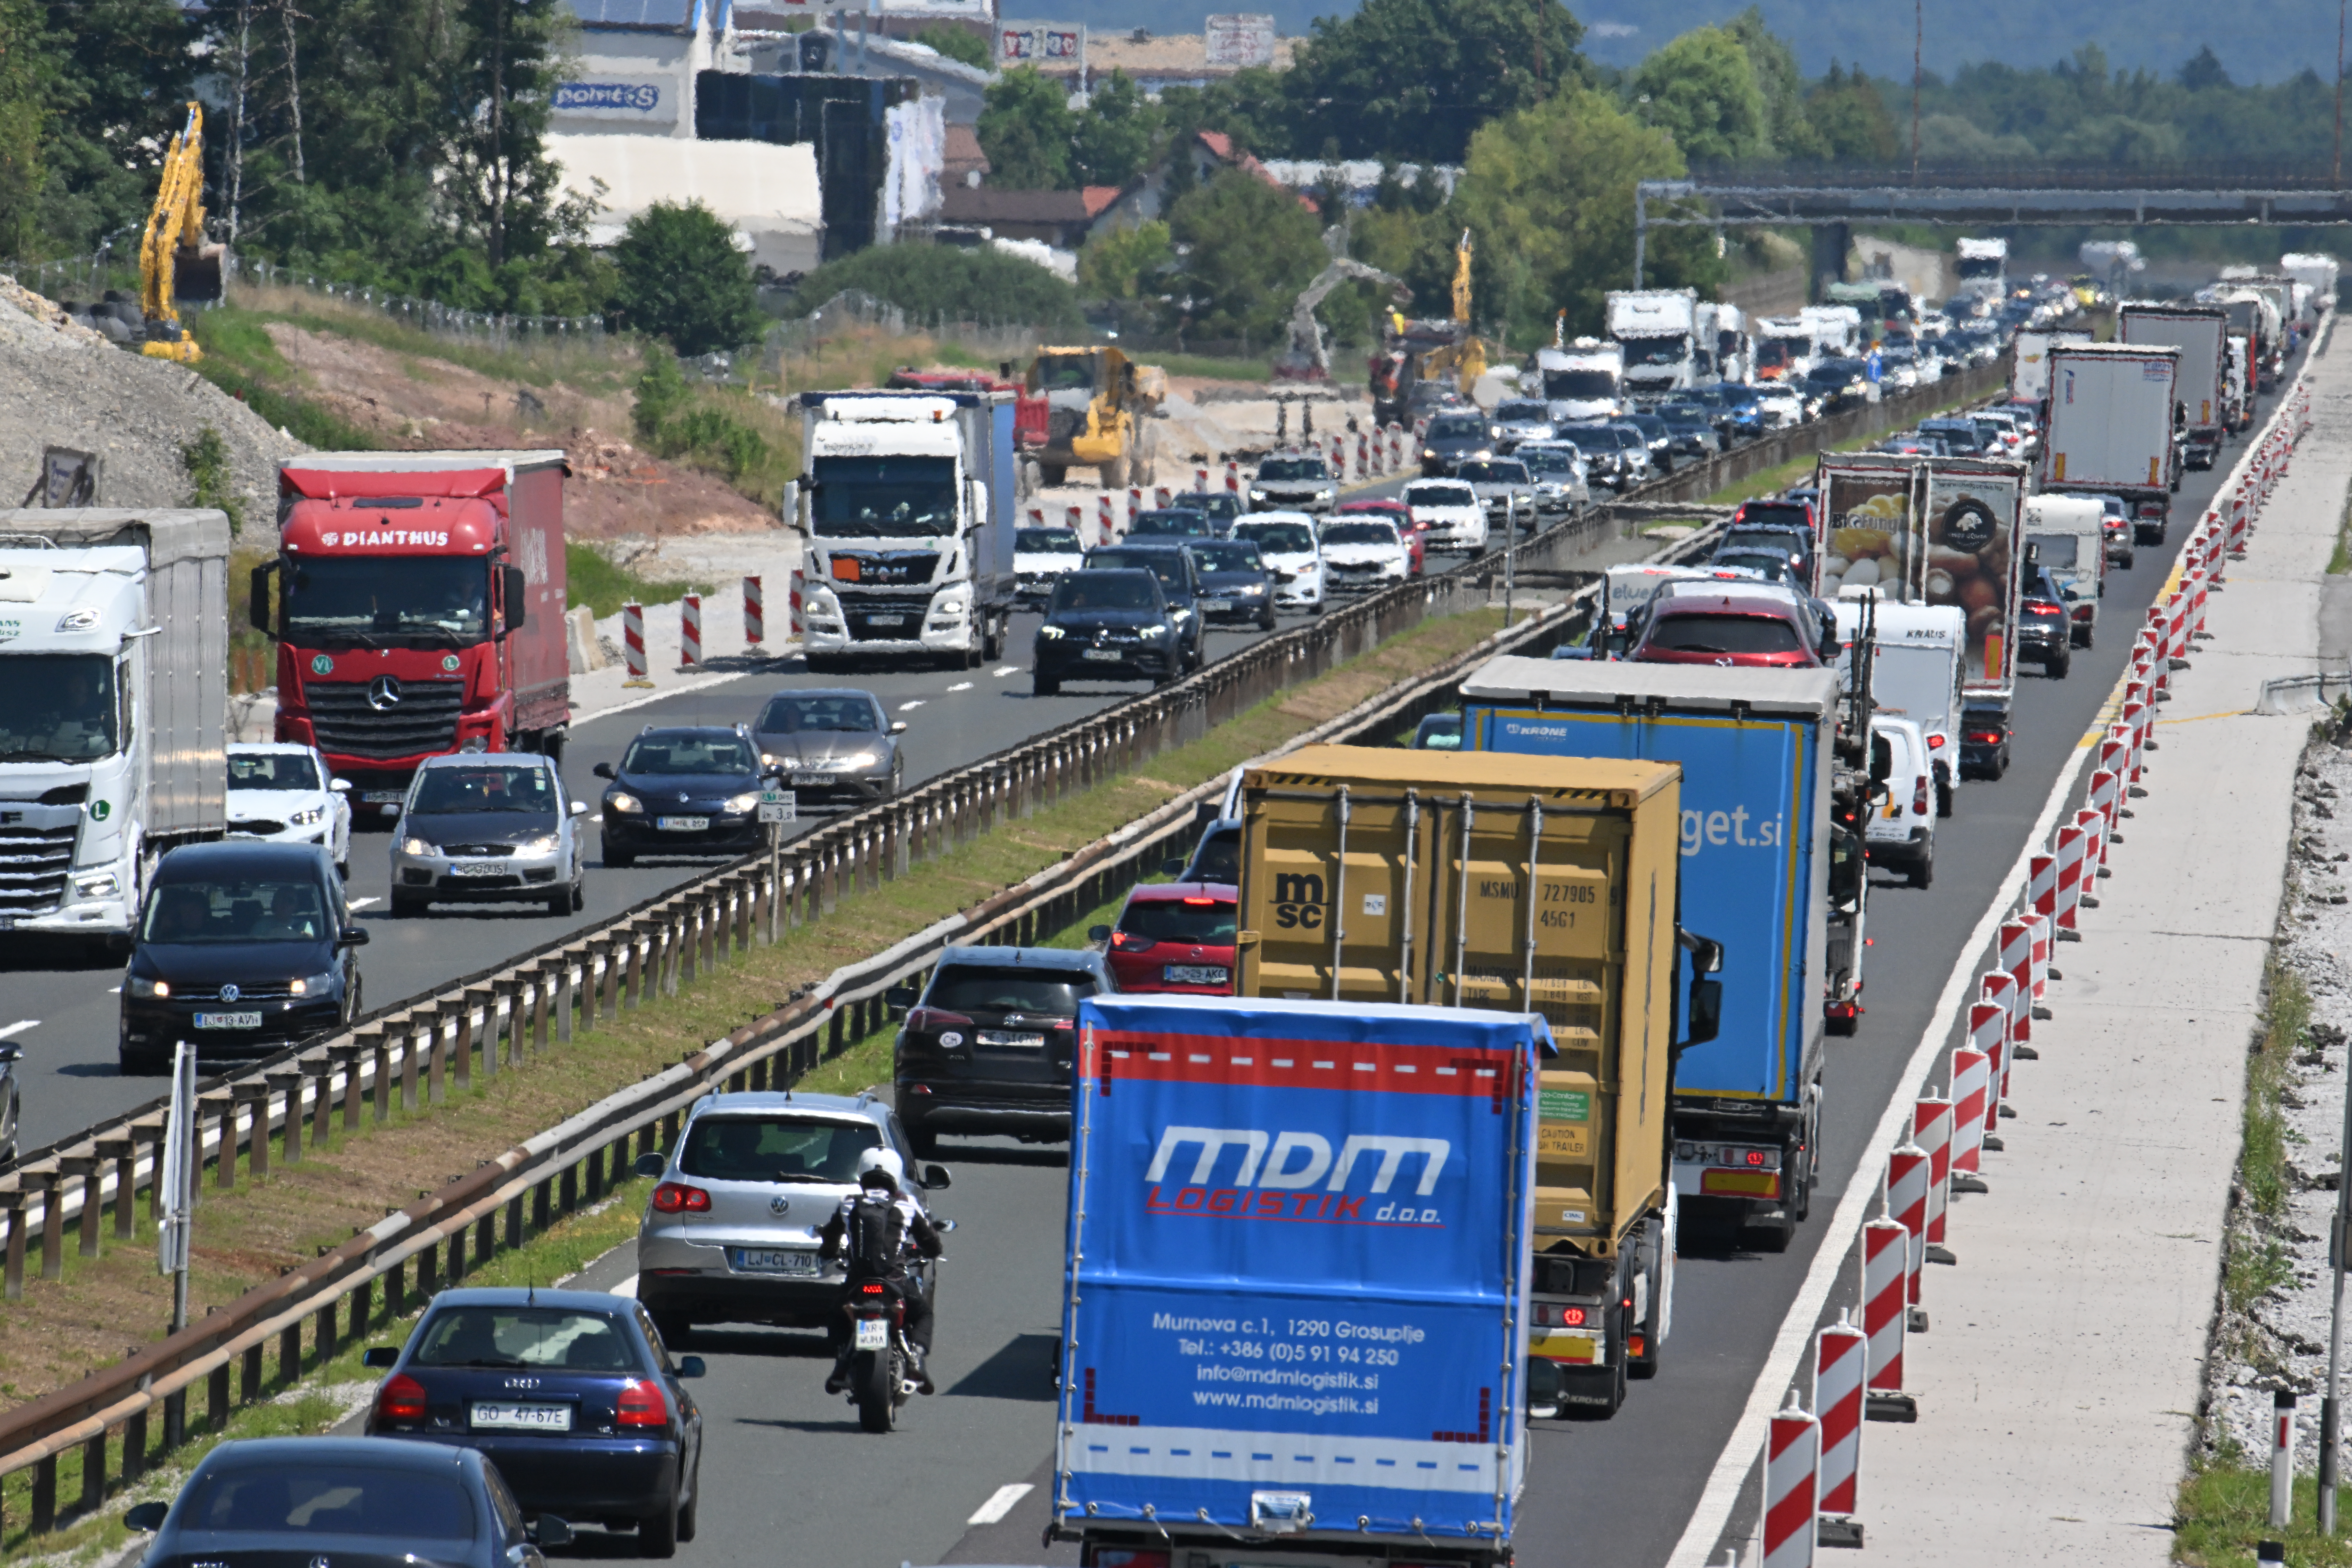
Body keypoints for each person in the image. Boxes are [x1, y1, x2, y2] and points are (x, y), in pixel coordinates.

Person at [818, 1148, 942, 1395]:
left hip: (858, 1281)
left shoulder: (849, 1203)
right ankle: (916, 1357)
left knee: (835, 1314)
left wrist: (828, 1253)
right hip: (895, 1281)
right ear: (895, 1174)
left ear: (862, 1172)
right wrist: (927, 1253)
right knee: (923, 1314)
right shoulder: (906, 1205)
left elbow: (831, 1237)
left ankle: (842, 1359)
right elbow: (932, 1244)